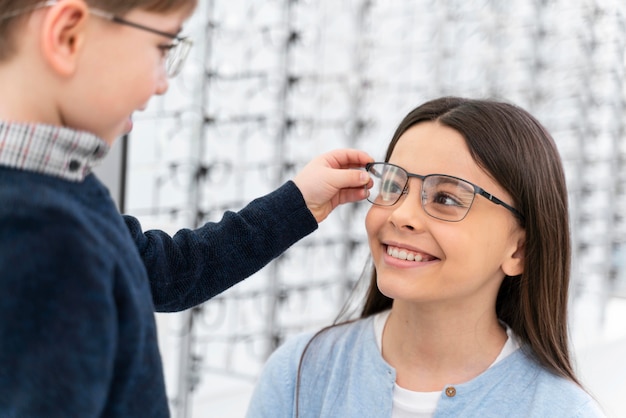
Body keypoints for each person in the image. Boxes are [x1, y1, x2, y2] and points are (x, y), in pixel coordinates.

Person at [0, 1, 373, 417]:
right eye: (162, 47)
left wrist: (297, 202)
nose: (162, 84)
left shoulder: (62, 193)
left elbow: (170, 273)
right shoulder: (41, 233)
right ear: (68, 34)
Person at [246, 97, 607, 417]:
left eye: (446, 199)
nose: (400, 215)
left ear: (519, 250)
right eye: (393, 186)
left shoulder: (563, 411)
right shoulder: (299, 372)